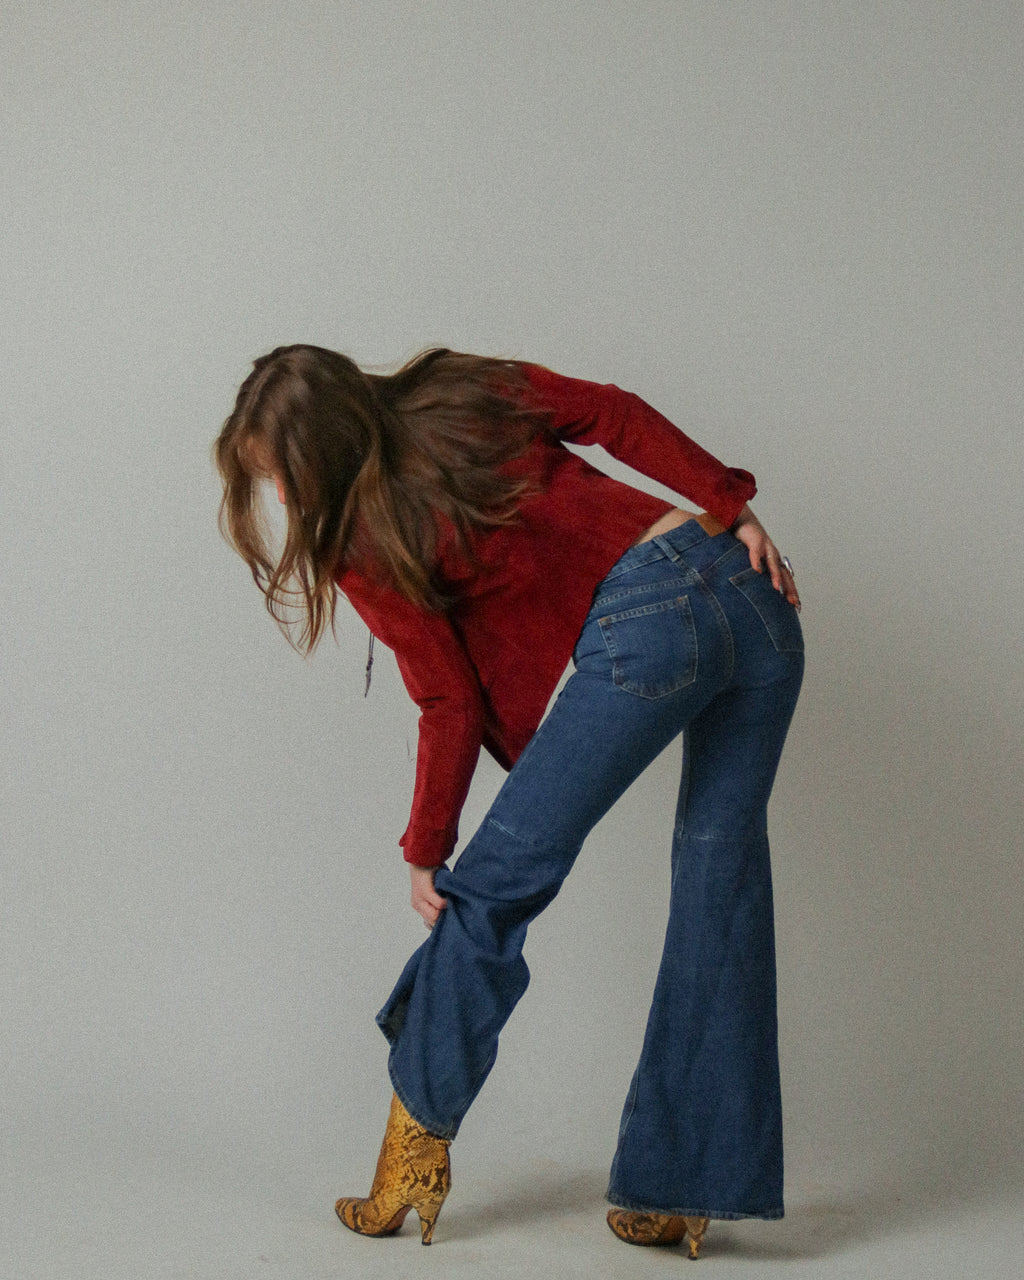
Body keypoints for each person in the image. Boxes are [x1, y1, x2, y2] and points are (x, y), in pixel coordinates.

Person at [215, 344, 803, 1258]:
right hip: (754, 596)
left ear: (322, 453)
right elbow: (613, 408)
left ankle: (409, 1156)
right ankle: (681, 1191)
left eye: (283, 477)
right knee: (720, 879)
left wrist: (426, 845)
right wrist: (732, 505)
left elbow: (446, 698)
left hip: (650, 631)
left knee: (489, 892)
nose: (284, 502)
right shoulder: (462, 387)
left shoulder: (363, 536)